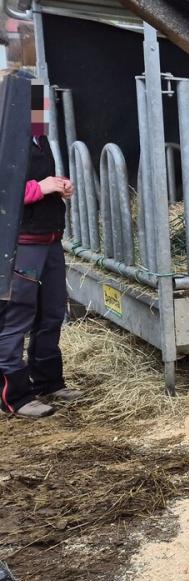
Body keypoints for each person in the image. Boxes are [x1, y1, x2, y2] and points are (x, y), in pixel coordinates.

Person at [0, 85, 82, 418]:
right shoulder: (5, 136)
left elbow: (34, 179)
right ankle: (14, 396)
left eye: (41, 108)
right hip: (22, 243)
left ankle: (48, 380)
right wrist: (40, 187)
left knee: (51, 312)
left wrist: (58, 185)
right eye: (36, 108)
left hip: (49, 239)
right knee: (17, 317)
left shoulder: (38, 138)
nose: (41, 116)